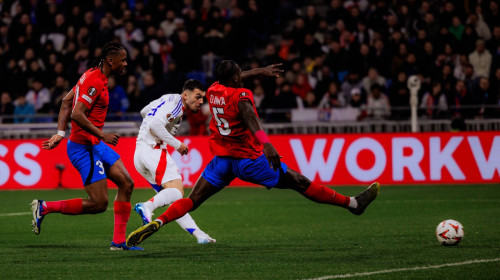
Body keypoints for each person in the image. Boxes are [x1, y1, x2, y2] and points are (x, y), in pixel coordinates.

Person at [126, 60, 380, 247]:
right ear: (236, 78)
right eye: (240, 73)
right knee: (298, 182)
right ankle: (353, 204)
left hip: (221, 161)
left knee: (193, 199)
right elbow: (251, 120)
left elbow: (230, 78)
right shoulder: (242, 96)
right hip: (249, 160)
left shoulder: (213, 91)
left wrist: (259, 71)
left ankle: (159, 223)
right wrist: (268, 145)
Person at [32, 42, 143, 250]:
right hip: (83, 147)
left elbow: (66, 102)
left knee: (127, 184)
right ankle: (45, 207)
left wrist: (59, 134)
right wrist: (102, 134)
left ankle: (118, 243)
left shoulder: (92, 75)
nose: (126, 64)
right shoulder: (94, 81)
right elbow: (76, 113)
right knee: (99, 204)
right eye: (123, 60)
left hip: (95, 144)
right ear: (111, 61)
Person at [133, 79, 215, 244]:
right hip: (153, 151)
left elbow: (144, 112)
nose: (201, 102)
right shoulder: (177, 106)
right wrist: (177, 144)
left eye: (202, 98)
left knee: (175, 199)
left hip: (140, 153)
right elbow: (155, 124)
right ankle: (147, 206)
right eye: (198, 97)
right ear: (185, 95)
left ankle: (199, 235)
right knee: (178, 192)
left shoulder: (167, 98)